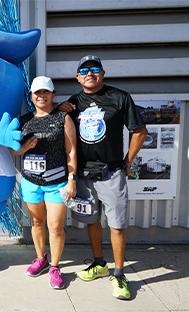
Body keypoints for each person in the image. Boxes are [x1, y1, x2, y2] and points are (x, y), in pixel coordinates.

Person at [60, 55, 147, 299]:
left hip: (111, 174)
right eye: (84, 70)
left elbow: (139, 131)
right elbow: (62, 129)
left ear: (103, 73)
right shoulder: (73, 102)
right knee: (92, 221)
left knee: (117, 225)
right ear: (77, 77)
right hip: (84, 175)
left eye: (95, 69)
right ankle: (100, 263)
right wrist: (59, 108)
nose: (90, 73)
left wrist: (127, 162)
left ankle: (119, 273)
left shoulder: (120, 97)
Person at [13, 76, 77, 289]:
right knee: (37, 223)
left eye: (45, 92)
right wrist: (24, 149)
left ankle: (55, 267)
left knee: (56, 226)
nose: (41, 96)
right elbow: (14, 150)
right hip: (31, 182)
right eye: (37, 93)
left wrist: (71, 179)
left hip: (57, 182)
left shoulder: (62, 117)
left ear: (53, 94)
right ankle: (41, 258)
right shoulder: (23, 120)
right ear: (31, 96)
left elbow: (71, 150)